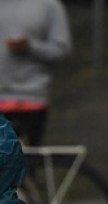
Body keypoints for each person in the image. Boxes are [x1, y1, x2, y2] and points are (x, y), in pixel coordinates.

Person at [0, 0, 71, 146]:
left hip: (31, 99)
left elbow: (62, 50)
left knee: (24, 163)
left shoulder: (49, 6)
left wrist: (30, 47)